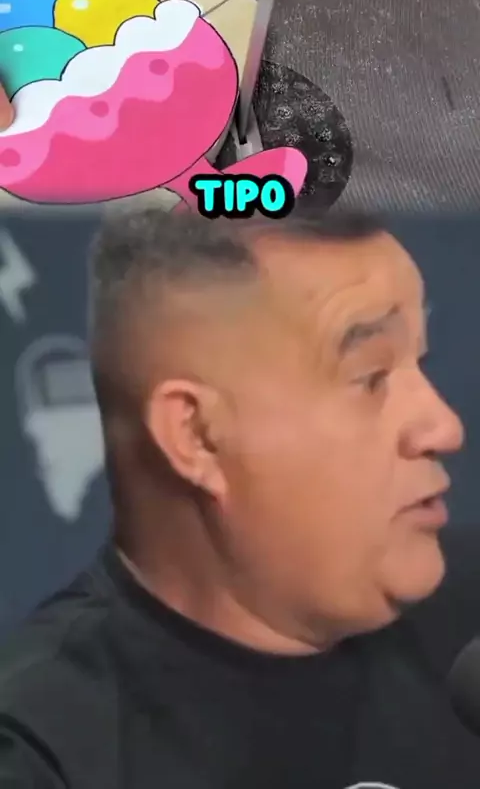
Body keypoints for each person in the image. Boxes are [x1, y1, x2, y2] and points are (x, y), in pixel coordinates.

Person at [0, 206, 480, 789]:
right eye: (371, 377)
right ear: (197, 436)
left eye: (420, 362)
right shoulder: (41, 752)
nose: (443, 427)